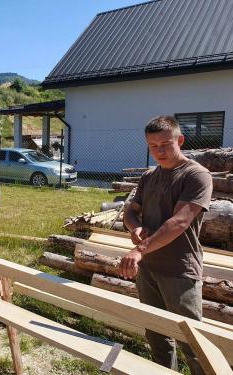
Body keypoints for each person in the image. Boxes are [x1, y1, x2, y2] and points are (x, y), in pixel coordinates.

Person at [120, 115, 212, 375]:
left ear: (180, 140)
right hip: (149, 269)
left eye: (165, 144)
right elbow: (130, 210)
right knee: (157, 336)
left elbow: (180, 222)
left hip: (180, 271)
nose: (159, 151)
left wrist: (138, 249)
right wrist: (134, 227)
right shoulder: (149, 176)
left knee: (192, 343)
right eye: (153, 146)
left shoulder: (196, 176)